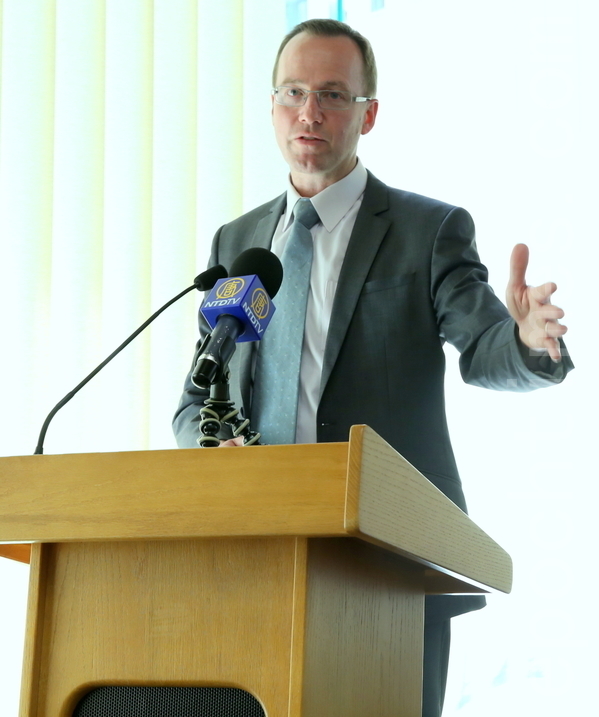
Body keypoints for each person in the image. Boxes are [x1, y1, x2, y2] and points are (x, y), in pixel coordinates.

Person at [173, 18, 573, 717]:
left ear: (369, 114)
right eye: (293, 92)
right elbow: (198, 395)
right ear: (272, 105)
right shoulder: (239, 242)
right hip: (256, 558)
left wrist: (528, 342)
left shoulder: (427, 230)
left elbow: (484, 346)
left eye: (332, 95)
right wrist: (213, 454)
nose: (309, 112)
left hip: (389, 564)